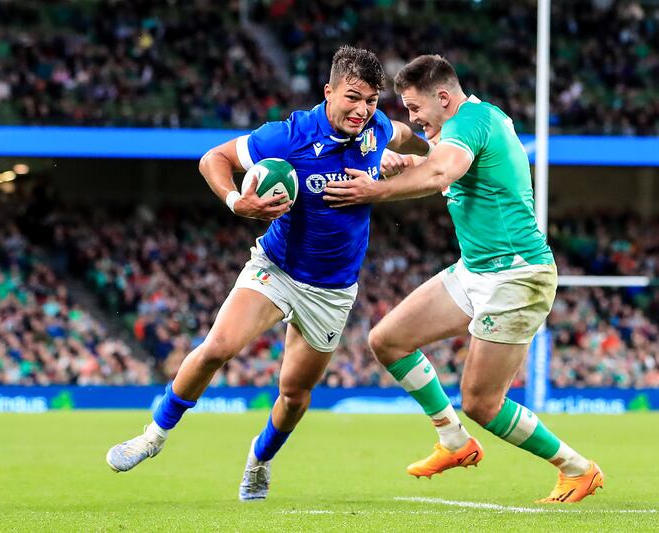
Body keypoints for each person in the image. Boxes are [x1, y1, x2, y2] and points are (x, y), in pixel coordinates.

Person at [105, 46, 431, 501]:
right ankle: (152, 436)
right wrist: (237, 201)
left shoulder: (376, 129)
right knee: (218, 347)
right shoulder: (287, 136)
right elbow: (212, 159)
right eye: (353, 97)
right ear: (329, 91)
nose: (362, 109)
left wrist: (427, 152)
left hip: (333, 290)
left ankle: (259, 461)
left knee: (295, 395)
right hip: (276, 268)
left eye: (372, 100)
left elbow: (408, 138)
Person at [324, 54, 603, 504]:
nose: (413, 120)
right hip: (475, 270)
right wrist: (399, 163)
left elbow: (441, 171)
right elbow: (439, 159)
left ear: (444, 97)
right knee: (388, 340)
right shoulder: (469, 123)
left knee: (481, 403)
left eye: (416, 110)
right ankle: (453, 442)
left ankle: (578, 469)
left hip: (517, 275)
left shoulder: (471, 122)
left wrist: (375, 189)